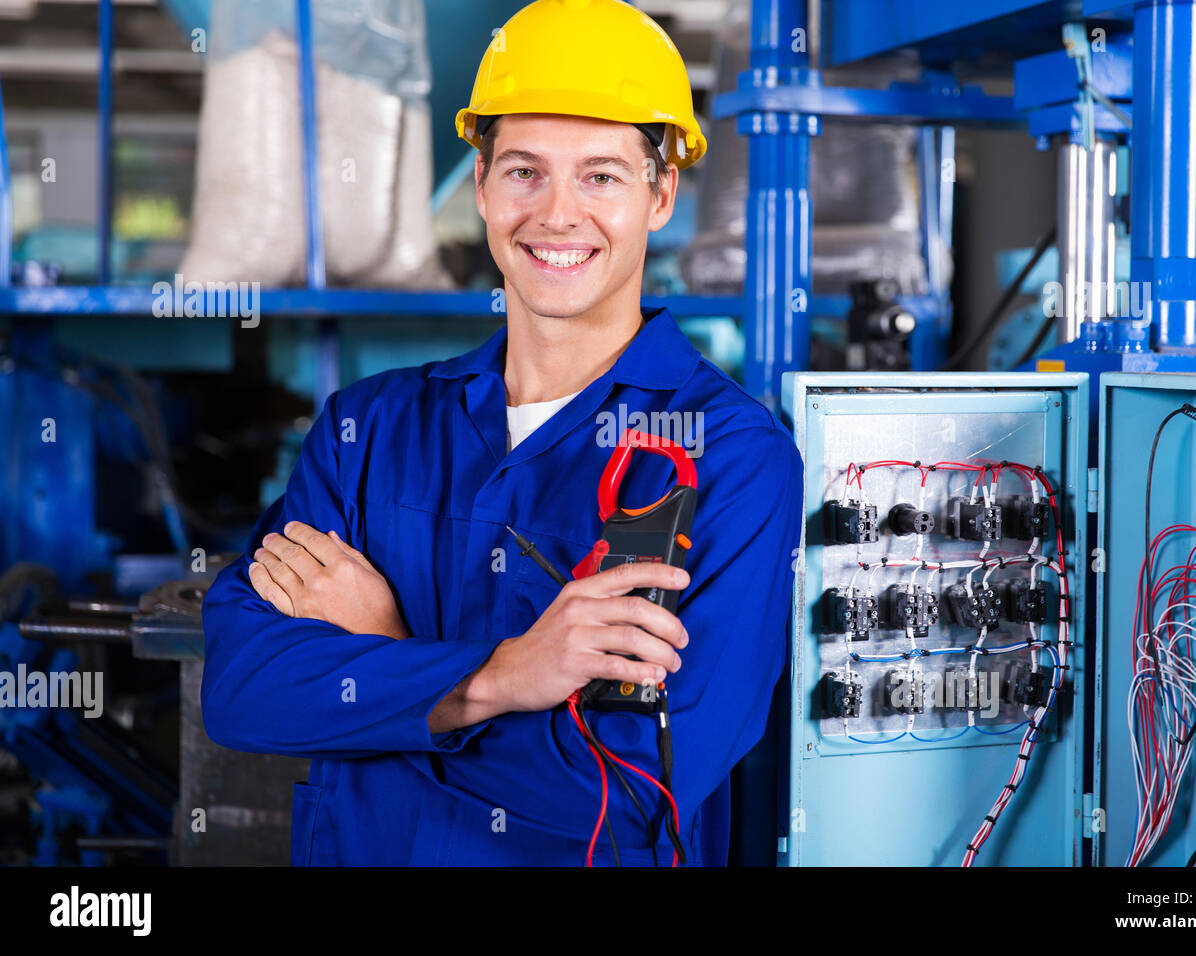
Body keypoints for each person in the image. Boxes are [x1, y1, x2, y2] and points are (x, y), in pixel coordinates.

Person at [200, 0, 803, 866]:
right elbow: (243, 691)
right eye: (524, 171)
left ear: (661, 193)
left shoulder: (734, 459)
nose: (557, 214)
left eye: (601, 176)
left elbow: (634, 793)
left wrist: (389, 659)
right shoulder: (365, 430)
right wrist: (502, 679)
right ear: (480, 185)